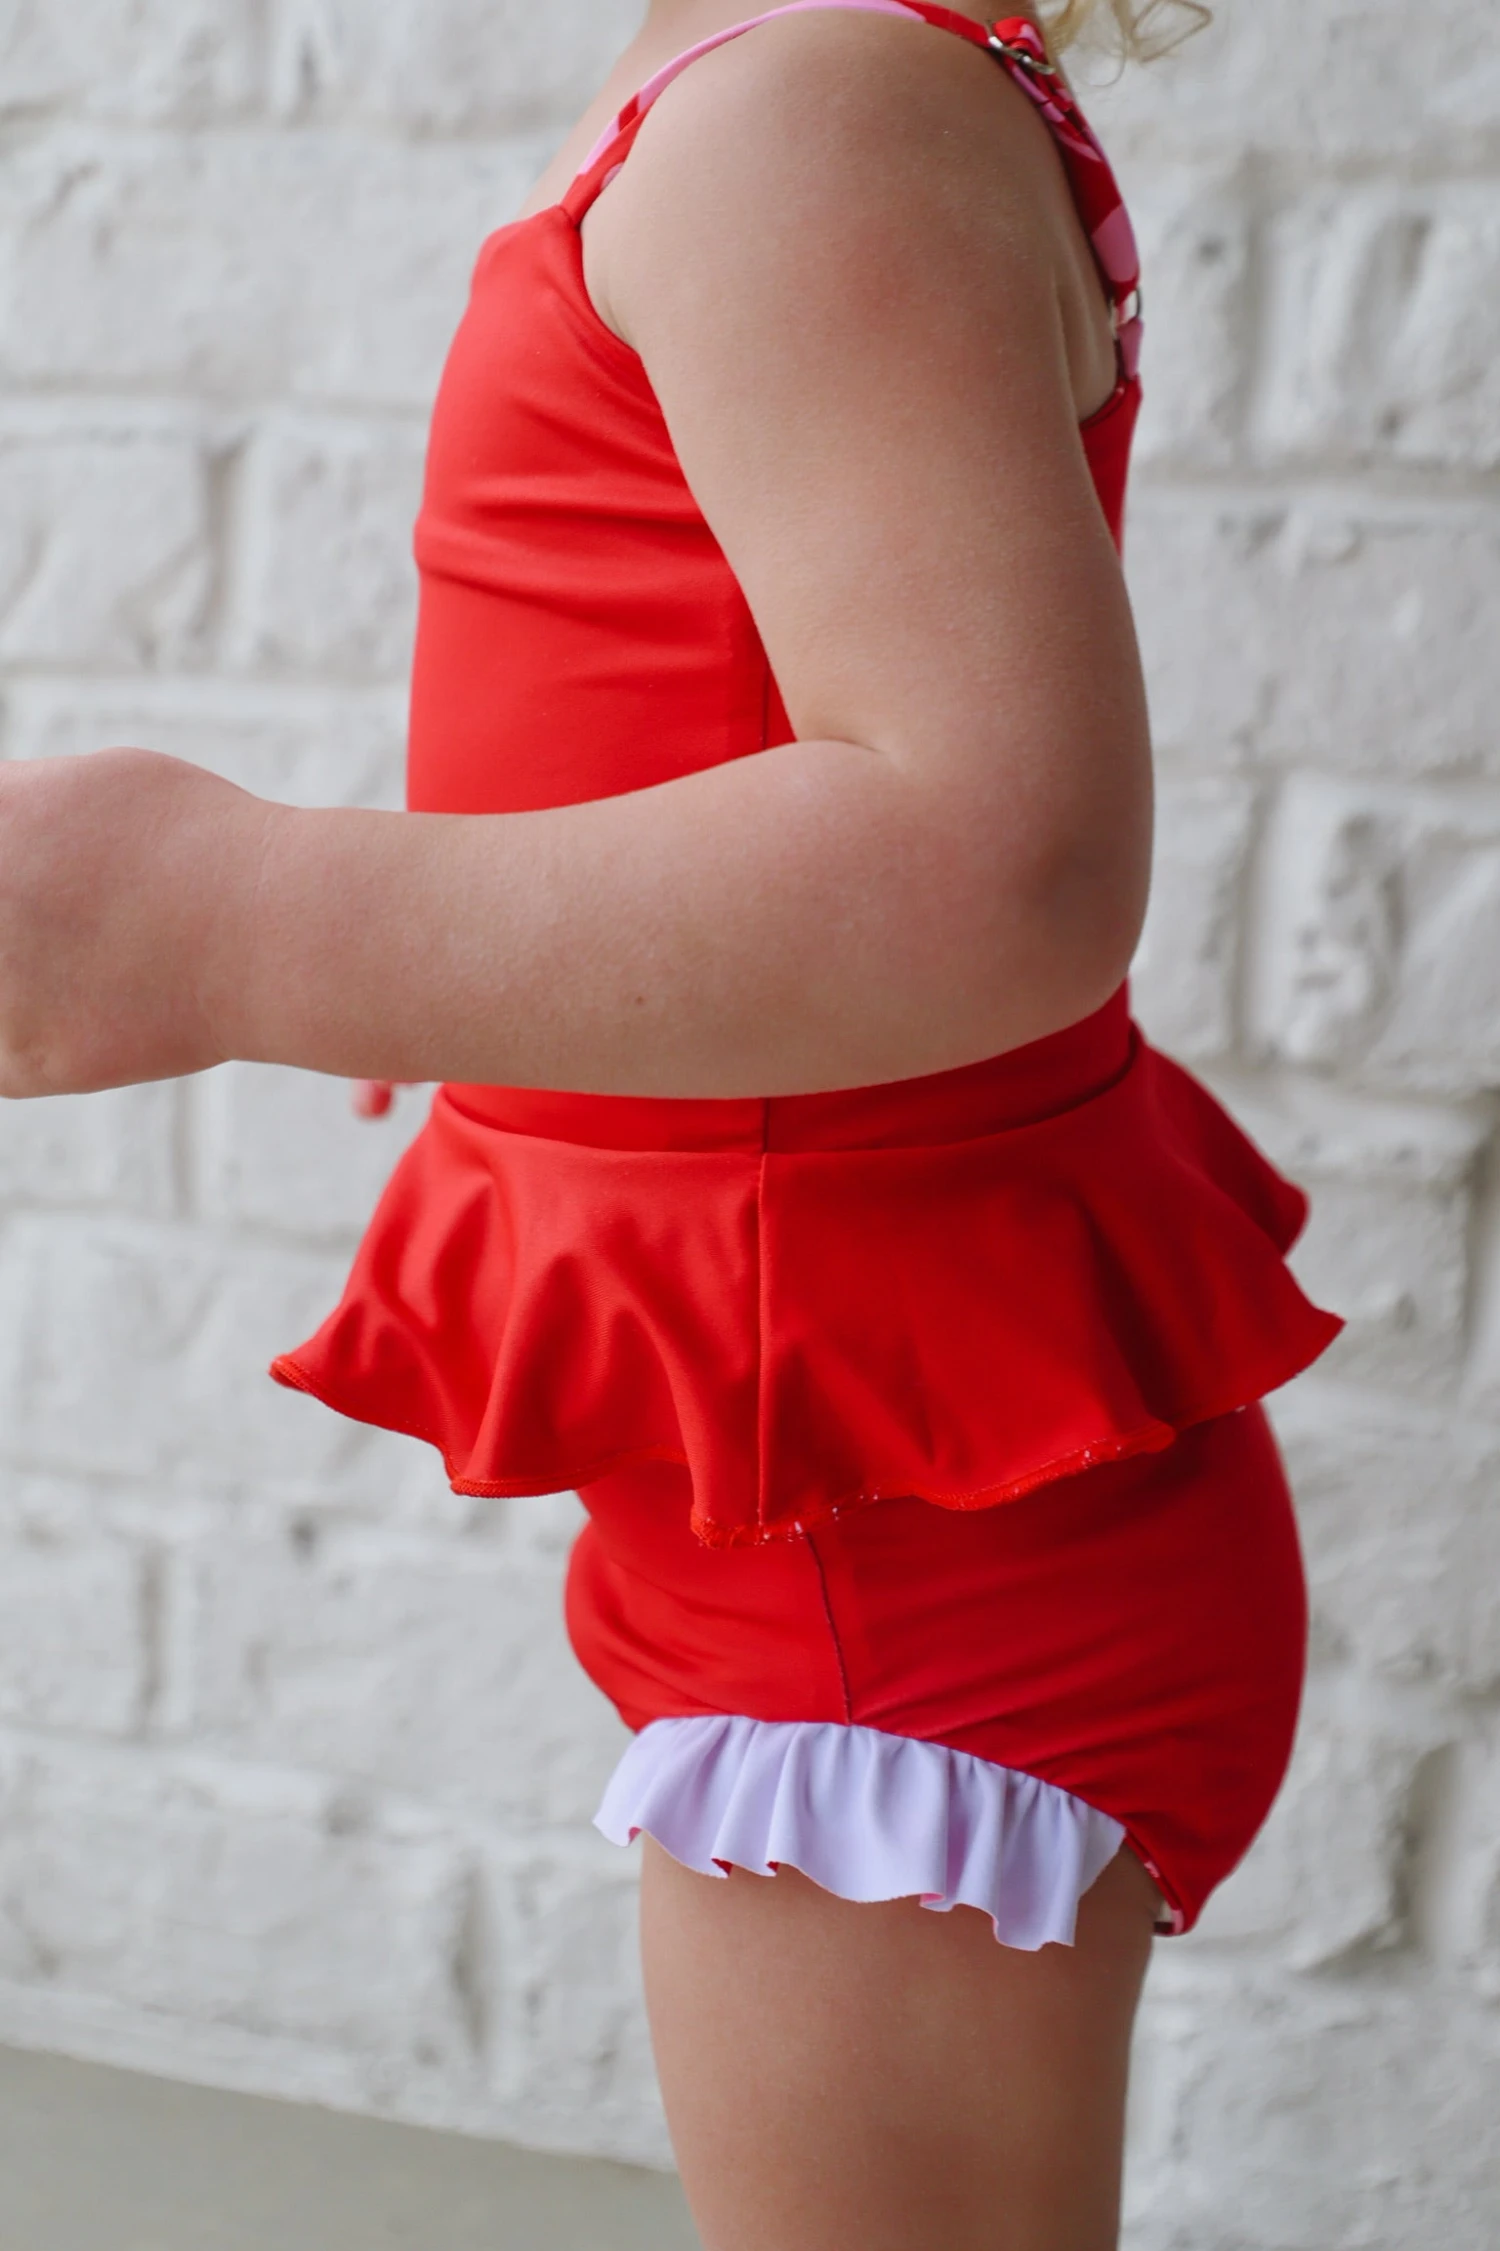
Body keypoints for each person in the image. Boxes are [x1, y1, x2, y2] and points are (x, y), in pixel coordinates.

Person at [0, 4, 1341, 2244]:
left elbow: (995, 863)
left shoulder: (800, 114)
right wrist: (483, 952)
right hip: (863, 1466)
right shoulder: (806, 87)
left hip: (888, 1550)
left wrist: (232, 923)